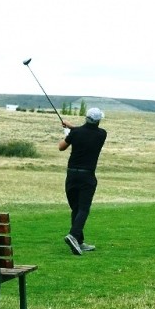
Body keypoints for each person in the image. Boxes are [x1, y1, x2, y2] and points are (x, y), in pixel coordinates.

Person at [58, 107, 107, 255]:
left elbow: (61, 147)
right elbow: (86, 131)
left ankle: (78, 241)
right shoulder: (101, 134)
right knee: (83, 209)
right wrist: (71, 128)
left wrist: (69, 131)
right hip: (87, 176)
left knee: (76, 209)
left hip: (71, 175)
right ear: (98, 120)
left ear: (86, 117)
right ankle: (73, 236)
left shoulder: (76, 133)